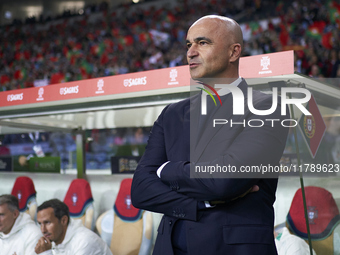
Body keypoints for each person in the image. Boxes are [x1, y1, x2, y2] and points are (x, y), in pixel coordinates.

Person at [131, 15, 290, 255]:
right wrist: (200, 203)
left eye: (202, 43)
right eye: (188, 45)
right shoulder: (172, 114)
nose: (191, 52)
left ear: (234, 52)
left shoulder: (269, 107)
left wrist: (165, 170)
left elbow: (223, 182)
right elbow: (141, 190)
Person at [34, 199, 112, 255]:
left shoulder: (85, 241)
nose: (43, 230)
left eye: (47, 222)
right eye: (40, 224)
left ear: (64, 220)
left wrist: (46, 253)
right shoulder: (54, 239)